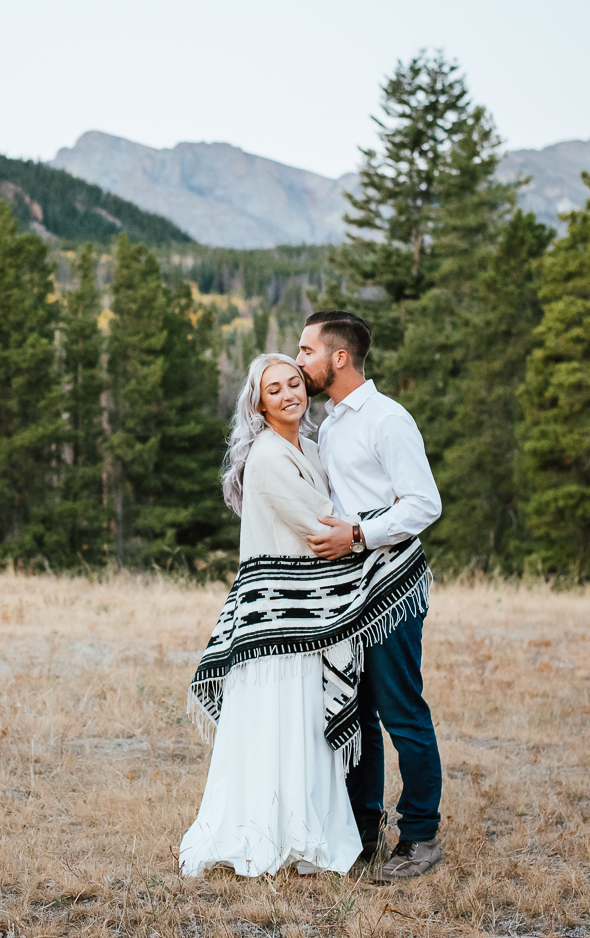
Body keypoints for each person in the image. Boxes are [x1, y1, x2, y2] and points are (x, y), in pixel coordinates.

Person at [180, 353, 432, 878]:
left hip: (317, 614)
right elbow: (323, 532)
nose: (290, 393)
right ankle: (277, 832)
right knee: (285, 727)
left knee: (317, 727)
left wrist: (366, 529)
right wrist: (378, 531)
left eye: (295, 382)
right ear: (258, 403)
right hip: (284, 621)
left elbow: (348, 518)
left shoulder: (314, 448)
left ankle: (348, 828)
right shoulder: (269, 458)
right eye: (274, 389)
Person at [295, 310, 445, 881]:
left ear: (338, 358)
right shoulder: (331, 424)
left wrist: (357, 533)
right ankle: (360, 835)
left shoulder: (387, 419)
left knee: (402, 714)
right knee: (354, 715)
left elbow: (424, 504)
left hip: (393, 588)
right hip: (347, 594)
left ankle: (421, 839)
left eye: (307, 350)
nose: (299, 358)